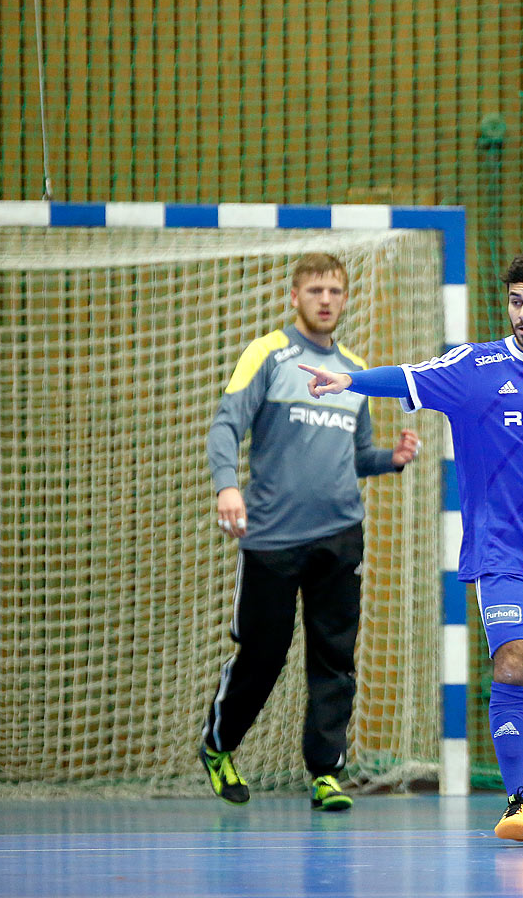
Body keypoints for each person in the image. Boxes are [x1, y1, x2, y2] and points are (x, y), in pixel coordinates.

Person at [301, 248, 523, 843]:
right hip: (503, 553)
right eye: (516, 301)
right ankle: (518, 803)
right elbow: (408, 376)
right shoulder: (476, 367)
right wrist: (349, 379)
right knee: (516, 659)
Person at [200, 252, 420, 811]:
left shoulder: (353, 371)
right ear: (293, 296)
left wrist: (389, 459)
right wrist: (227, 485)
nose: (326, 299)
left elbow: (356, 455)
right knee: (263, 654)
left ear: (345, 299)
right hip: (272, 538)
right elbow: (227, 423)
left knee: (334, 658)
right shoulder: (268, 355)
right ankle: (219, 745)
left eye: (336, 291)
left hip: (341, 534)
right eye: (316, 289)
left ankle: (326, 773)